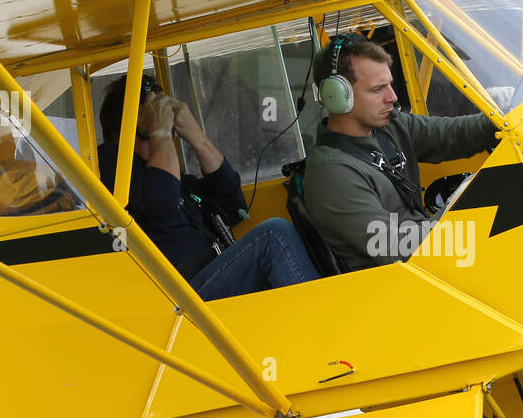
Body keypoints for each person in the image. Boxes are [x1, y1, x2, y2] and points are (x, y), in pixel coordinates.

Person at [97, 73, 319, 301]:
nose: (168, 118)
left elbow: (234, 207)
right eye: (158, 110)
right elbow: (161, 205)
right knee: (274, 236)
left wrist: (197, 137)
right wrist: (159, 133)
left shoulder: (177, 182)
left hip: (209, 280)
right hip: (182, 302)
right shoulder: (110, 163)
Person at [302, 33, 499, 271]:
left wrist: (502, 118)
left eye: (390, 85)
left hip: (433, 263)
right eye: (377, 89)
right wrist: (461, 206)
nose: (392, 97)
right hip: (398, 287)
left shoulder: (389, 127)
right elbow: (398, 247)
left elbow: (452, 135)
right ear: (337, 97)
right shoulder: (331, 173)